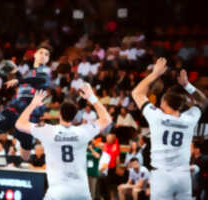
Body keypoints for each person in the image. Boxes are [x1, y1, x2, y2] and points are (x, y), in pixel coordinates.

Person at [15, 83, 112, 200]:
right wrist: (92, 97)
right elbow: (107, 120)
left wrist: (33, 104)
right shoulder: (83, 131)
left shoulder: (48, 131)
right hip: (81, 191)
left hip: (57, 192)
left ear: (59, 114)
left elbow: (19, 124)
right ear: (75, 116)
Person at [131, 57, 208, 200]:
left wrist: (155, 74)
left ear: (164, 103)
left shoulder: (157, 117)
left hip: (162, 176)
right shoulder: (189, 119)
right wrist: (187, 85)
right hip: (183, 177)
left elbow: (137, 93)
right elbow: (203, 101)